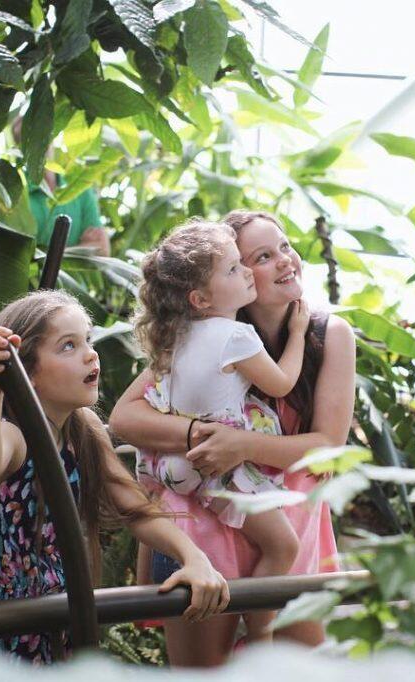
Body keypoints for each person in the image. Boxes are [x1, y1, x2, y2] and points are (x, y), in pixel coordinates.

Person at [109, 210, 357, 666]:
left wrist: (241, 445)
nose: (285, 261)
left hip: (286, 521)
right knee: (203, 671)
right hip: (206, 529)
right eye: (261, 257)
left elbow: (328, 446)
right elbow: (125, 416)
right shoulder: (206, 334)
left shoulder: (326, 333)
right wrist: (200, 435)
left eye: (284, 246)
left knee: (298, 668)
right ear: (217, 285)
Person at [0, 290, 229, 665]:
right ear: (27, 372)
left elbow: (135, 508)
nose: (91, 354)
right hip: (6, 637)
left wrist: (194, 557)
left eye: (87, 340)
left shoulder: (82, 428)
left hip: (63, 623)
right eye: (68, 346)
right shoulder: (11, 434)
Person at [132, 221, 311, 642]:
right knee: (283, 546)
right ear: (201, 298)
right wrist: (299, 334)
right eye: (235, 269)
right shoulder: (235, 335)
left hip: (178, 469)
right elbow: (282, 383)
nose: (247, 272)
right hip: (221, 469)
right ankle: (261, 629)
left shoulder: (175, 336)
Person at [10, 117, 110, 256]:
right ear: (19, 147)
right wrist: (80, 249)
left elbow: (101, 249)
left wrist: (46, 255)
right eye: (29, 138)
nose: (39, 142)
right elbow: (18, 256)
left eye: (42, 133)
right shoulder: (17, 194)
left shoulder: (78, 188)